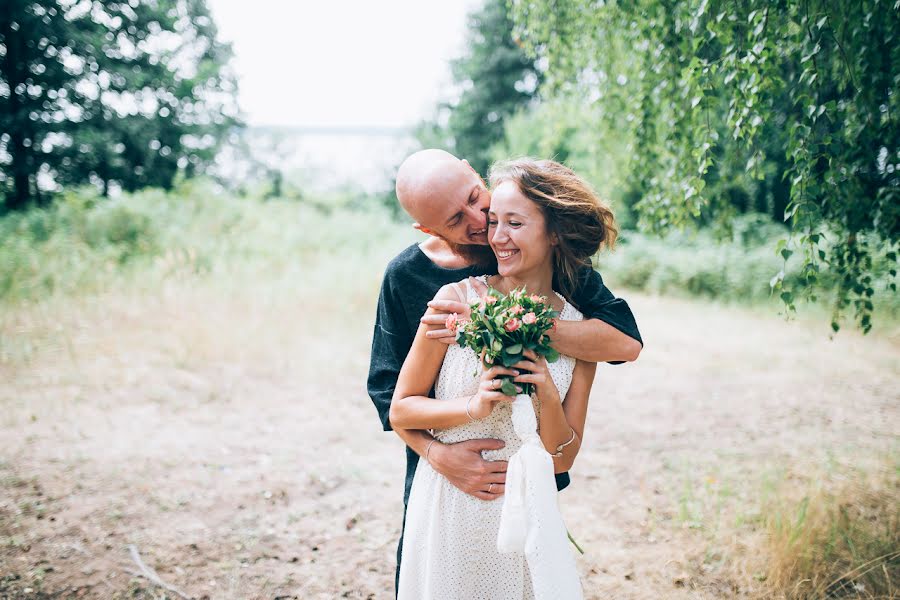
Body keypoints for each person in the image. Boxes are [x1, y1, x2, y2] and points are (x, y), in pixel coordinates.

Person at [366, 149, 642, 593]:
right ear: (429, 228)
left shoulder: (555, 264)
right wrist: (439, 457)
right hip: (442, 477)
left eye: (478, 198)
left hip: (530, 482)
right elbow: (389, 397)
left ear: (475, 175)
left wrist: (515, 324)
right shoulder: (412, 278)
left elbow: (623, 342)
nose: (483, 223)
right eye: (457, 220)